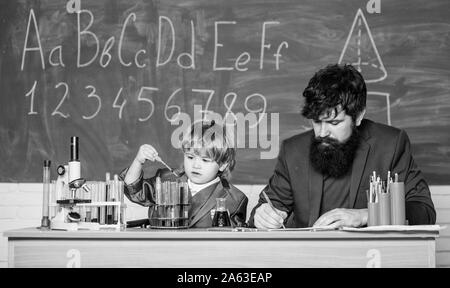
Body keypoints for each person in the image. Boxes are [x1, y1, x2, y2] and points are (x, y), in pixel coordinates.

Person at [248, 64, 436, 229]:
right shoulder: (293, 150)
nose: (322, 133)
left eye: (334, 123)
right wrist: (262, 216)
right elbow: (264, 210)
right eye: (316, 121)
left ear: (359, 115)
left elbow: (423, 211)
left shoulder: (391, 144)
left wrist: (365, 215)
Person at [119, 120, 248, 228]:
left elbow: (236, 241)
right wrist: (138, 161)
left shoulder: (235, 199)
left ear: (223, 164)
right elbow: (133, 190)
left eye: (205, 160)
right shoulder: (166, 180)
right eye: (190, 157)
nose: (196, 165)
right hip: (162, 252)